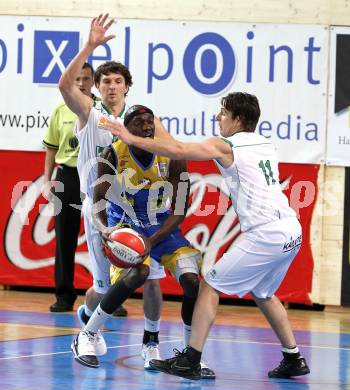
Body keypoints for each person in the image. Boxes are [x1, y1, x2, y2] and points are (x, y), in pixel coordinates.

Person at [106, 92, 311, 380]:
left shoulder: (225, 145)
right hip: (291, 230)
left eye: (223, 112)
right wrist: (155, 124)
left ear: (237, 119)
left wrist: (130, 137)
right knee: (264, 293)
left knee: (208, 286)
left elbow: (176, 150)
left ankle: (191, 359)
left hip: (266, 233)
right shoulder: (265, 144)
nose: (218, 117)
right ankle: (293, 357)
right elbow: (173, 144)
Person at [71, 105, 214, 380]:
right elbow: (98, 199)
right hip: (125, 222)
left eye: (151, 121)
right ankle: (87, 334)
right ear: (127, 128)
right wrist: (104, 230)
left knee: (192, 282)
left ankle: (191, 354)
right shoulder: (112, 153)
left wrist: (155, 238)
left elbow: (180, 208)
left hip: (161, 226)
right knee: (141, 272)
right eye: (139, 122)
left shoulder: (173, 155)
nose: (147, 126)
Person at [58, 14, 169, 367]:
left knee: (152, 278)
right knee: (105, 287)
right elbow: (64, 86)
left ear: (126, 87)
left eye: (117, 81)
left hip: (140, 208)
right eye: (104, 80)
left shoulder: (144, 120)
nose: (110, 85)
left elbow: (173, 152)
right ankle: (89, 324)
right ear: (98, 86)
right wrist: (90, 45)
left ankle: (151, 343)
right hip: (103, 208)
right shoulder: (90, 112)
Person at [42, 62, 94, 312]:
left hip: (97, 176)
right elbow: (51, 148)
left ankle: (109, 296)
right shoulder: (60, 111)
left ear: (93, 81)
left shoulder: (100, 110)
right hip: (68, 177)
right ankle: (64, 295)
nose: (82, 83)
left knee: (105, 237)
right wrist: (47, 179)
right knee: (64, 238)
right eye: (77, 79)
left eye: (86, 78)